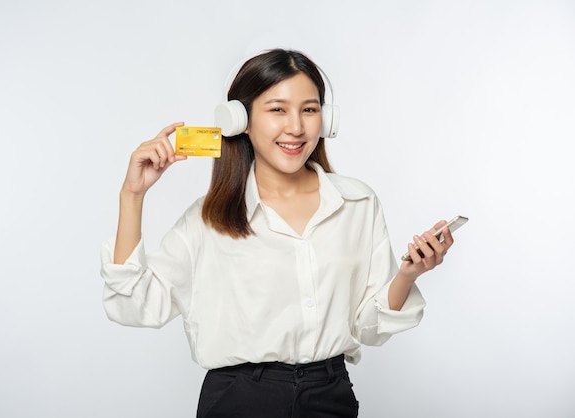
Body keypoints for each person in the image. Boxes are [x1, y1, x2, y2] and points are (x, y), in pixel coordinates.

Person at [100, 48, 454, 418]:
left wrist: (407, 274)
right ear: (241, 121)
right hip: (240, 400)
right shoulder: (209, 219)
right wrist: (133, 196)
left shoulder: (357, 204)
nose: (296, 128)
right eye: (277, 109)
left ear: (326, 118)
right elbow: (134, 304)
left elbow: (370, 328)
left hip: (329, 395)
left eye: (309, 109)